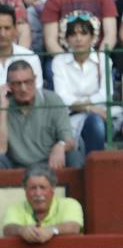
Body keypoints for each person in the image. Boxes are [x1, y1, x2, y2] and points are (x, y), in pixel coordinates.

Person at [0, 59, 75, 169]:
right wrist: (3, 109)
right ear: (8, 86)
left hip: (49, 165)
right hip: (15, 166)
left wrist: (61, 145)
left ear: (35, 80)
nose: (23, 88)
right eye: (17, 84)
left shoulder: (52, 100)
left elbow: (69, 140)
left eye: (27, 82)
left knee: (74, 156)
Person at [49, 11, 110, 159]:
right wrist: (89, 107)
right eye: (73, 34)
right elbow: (62, 98)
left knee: (96, 122)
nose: (78, 39)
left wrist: (81, 105)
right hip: (71, 118)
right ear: (66, 38)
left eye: (83, 33)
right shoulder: (59, 61)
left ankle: (95, 167)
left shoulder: (103, 59)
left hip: (102, 114)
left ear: (93, 37)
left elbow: (105, 94)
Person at [2, 164, 83, 242]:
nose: (38, 193)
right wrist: (22, 230)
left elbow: (73, 227)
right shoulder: (15, 208)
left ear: (52, 189)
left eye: (43, 187)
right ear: (25, 191)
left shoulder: (69, 204)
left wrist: (51, 230)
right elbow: (8, 229)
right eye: (33, 188)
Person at [40, 0, 116, 56]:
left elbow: (110, 35)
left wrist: (99, 58)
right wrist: (67, 61)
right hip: (63, 58)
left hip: (98, 57)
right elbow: (51, 42)